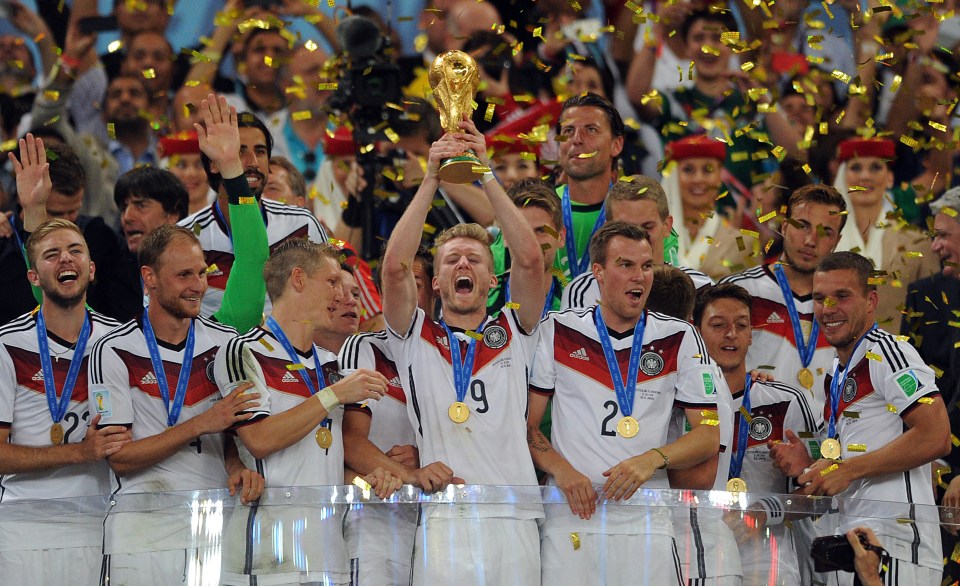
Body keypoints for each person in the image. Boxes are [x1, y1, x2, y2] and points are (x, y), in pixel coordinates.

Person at [379, 118, 545, 585]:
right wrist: (432, 177)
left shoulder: (516, 328)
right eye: (451, 260)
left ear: (493, 282)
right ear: (434, 282)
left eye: (476, 259)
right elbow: (394, 268)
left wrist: (486, 173)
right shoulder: (413, 335)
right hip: (446, 515)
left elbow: (530, 260)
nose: (464, 264)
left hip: (514, 515)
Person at [527, 221, 722, 584]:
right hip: (573, 517)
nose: (640, 276)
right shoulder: (558, 330)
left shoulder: (679, 337)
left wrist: (653, 459)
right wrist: (563, 471)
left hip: (646, 518)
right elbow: (528, 428)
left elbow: (709, 435)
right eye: (626, 265)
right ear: (598, 272)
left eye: (646, 266)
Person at [88, 223, 265, 585]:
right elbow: (120, 458)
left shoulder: (226, 343)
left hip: (215, 518)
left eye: (202, 273)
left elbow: (231, 431)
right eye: (184, 275)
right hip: (143, 523)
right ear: (149, 278)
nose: (198, 285)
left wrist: (236, 465)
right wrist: (200, 423)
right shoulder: (114, 348)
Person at [213, 240, 394, 584]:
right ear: (298, 279)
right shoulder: (242, 351)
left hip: (327, 551)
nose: (342, 295)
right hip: (268, 552)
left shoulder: (330, 365)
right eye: (331, 282)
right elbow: (260, 439)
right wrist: (332, 396)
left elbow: (323, 459)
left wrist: (368, 480)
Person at [774, 251, 949, 585]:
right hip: (855, 539)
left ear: (871, 300)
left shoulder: (887, 352)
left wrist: (847, 469)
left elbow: (935, 434)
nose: (828, 308)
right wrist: (811, 462)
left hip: (896, 543)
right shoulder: (839, 371)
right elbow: (864, 449)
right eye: (820, 298)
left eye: (842, 296)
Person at [0, 216, 131, 585]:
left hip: (102, 519)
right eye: (51, 254)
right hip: (23, 524)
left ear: (91, 269)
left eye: (75, 251)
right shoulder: (7, 344)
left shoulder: (121, 342)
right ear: (33, 278)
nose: (66, 260)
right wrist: (78, 452)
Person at [694, 283, 823, 585]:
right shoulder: (681, 405)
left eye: (741, 325)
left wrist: (765, 511)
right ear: (695, 332)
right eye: (717, 325)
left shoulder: (787, 401)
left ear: (752, 335)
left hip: (770, 563)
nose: (731, 334)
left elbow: (820, 489)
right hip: (702, 553)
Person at [180, 106, 327, 318]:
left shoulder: (301, 224)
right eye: (239, 151)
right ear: (214, 163)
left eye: (260, 151)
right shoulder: (187, 237)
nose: (253, 162)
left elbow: (329, 297)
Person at [720, 184, 847, 411]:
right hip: (749, 436)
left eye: (825, 232)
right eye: (802, 226)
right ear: (785, 227)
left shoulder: (844, 308)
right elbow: (701, 368)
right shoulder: (737, 292)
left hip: (820, 443)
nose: (810, 240)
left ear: (837, 240)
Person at [832, 137, 938, 332]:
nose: (865, 176)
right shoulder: (824, 241)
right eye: (855, 168)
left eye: (875, 167)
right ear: (842, 176)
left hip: (899, 358)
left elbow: (932, 316)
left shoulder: (918, 243)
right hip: (828, 358)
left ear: (890, 178)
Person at [561, 174, 713, 311]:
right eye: (625, 228)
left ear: (667, 226)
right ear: (607, 229)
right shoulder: (584, 292)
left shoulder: (702, 289)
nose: (638, 238)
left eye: (647, 227)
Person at [661, 134, 761, 280]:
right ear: (673, 175)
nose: (698, 179)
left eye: (707, 170)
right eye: (688, 170)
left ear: (720, 176)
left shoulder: (744, 243)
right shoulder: (655, 236)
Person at [552, 92, 624, 280]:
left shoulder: (639, 212)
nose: (577, 139)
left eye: (591, 130)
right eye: (568, 131)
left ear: (616, 145)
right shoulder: (535, 209)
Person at [487, 179, 566, 316]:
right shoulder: (482, 298)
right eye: (522, 231)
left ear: (561, 237)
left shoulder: (575, 302)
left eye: (541, 231)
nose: (532, 242)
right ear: (505, 237)